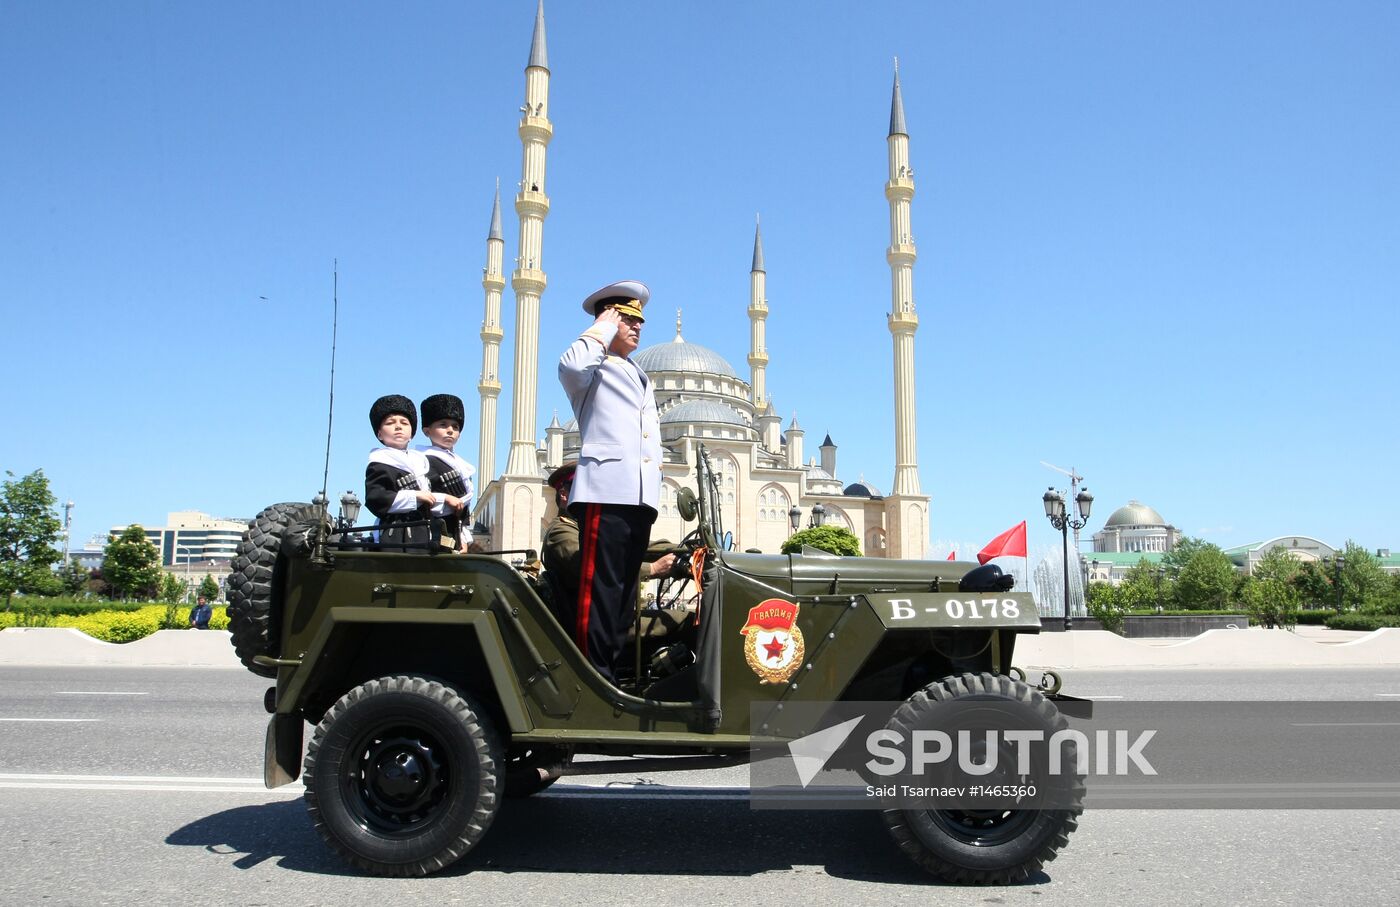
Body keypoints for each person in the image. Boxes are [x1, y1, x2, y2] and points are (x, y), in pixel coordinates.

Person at [557, 280, 664, 681]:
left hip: (638, 497)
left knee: (622, 595)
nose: (637, 328)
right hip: (606, 490)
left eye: (640, 321)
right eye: (628, 320)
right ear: (609, 318)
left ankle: (613, 673)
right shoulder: (591, 369)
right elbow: (569, 363)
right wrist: (601, 327)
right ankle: (591, 676)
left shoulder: (637, 372)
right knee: (599, 591)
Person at [542, 461, 675, 630]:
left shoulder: (587, 529)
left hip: (606, 617)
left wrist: (681, 548)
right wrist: (653, 569)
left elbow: (637, 545)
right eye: (587, 489)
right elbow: (595, 568)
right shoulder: (561, 531)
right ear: (564, 494)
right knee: (685, 621)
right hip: (594, 626)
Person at [364, 394, 438, 550]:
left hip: (423, 531)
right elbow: (375, 498)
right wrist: (415, 496)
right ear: (379, 434)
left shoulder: (421, 463)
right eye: (390, 423)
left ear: (411, 433)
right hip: (395, 534)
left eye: (404, 423)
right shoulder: (380, 462)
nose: (398, 427)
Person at [418, 393, 475, 552]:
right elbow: (419, 496)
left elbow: (463, 512)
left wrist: (463, 537)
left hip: (453, 532)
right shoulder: (421, 460)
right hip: (431, 532)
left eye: (455, 427)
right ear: (427, 431)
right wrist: (445, 499)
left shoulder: (461, 465)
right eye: (443, 425)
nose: (450, 430)